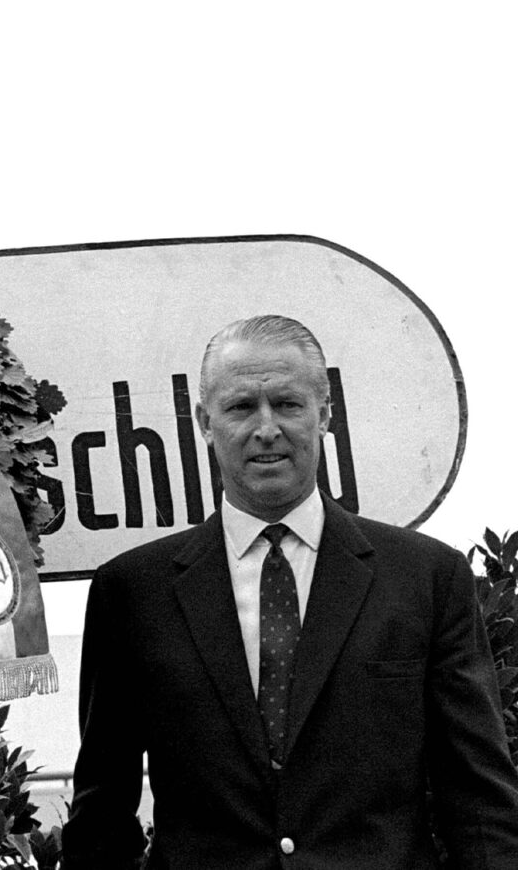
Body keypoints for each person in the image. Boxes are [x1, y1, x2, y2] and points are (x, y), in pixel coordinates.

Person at [61, 314, 518, 869]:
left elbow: (478, 803)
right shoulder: (131, 592)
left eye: (288, 403)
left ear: (326, 414)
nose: (267, 427)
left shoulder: (426, 578)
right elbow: (102, 811)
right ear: (205, 422)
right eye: (240, 407)